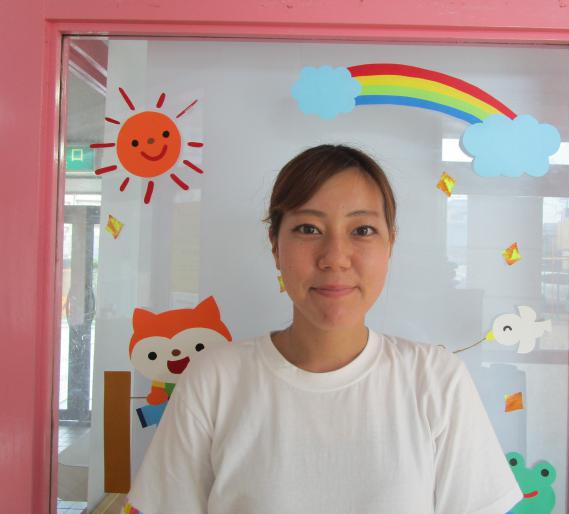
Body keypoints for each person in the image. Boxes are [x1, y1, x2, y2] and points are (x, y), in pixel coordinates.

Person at [125, 144, 523, 514]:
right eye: (308, 229)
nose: (335, 257)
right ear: (275, 244)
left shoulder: (436, 380)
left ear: (390, 244)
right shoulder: (214, 379)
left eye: (362, 230)